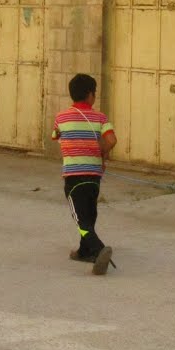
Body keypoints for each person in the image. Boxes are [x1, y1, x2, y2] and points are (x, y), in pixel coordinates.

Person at [51, 73, 117, 275]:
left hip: (73, 176)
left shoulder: (61, 118)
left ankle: (98, 250)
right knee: (89, 212)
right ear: (90, 95)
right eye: (94, 93)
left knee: (80, 219)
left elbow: (55, 136)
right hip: (94, 175)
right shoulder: (100, 118)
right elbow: (112, 140)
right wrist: (103, 152)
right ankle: (84, 251)